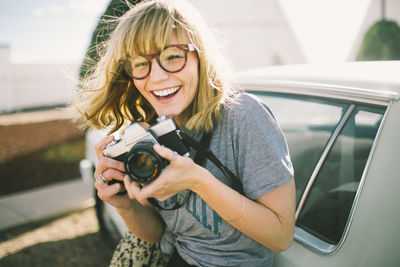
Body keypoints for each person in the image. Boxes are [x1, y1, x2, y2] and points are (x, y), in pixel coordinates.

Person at [73, 0, 295, 266]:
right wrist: (124, 204)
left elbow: (281, 237)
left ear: (200, 56)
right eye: (140, 64)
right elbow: (157, 233)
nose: (156, 77)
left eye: (173, 56)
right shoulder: (147, 130)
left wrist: (197, 181)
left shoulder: (243, 116)